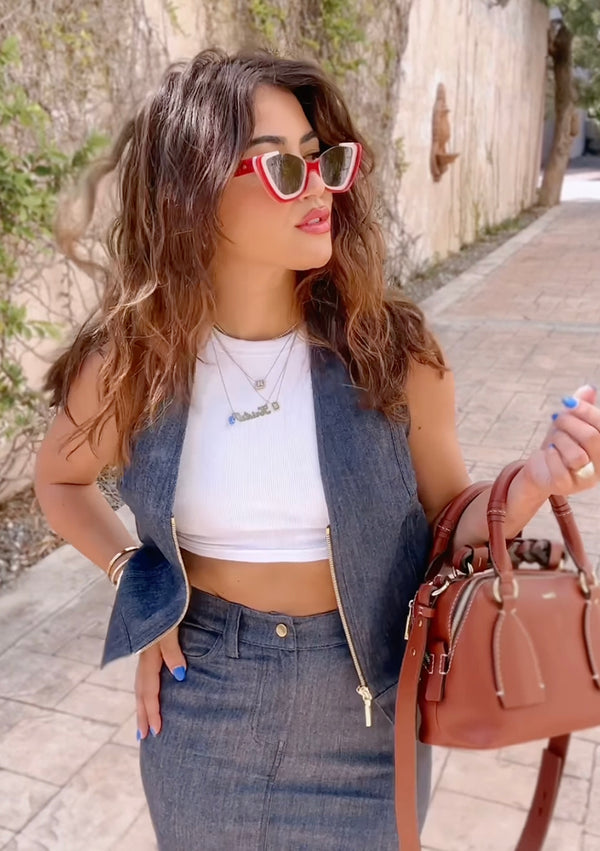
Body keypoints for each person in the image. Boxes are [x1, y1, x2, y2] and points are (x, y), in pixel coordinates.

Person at [34, 48, 600, 850]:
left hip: (369, 702)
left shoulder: (393, 352)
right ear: (192, 193)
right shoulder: (136, 360)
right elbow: (60, 480)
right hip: (204, 700)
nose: (320, 186)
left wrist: (537, 479)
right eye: (280, 169)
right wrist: (137, 580)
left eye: (320, 159)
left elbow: (450, 521)